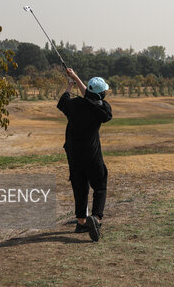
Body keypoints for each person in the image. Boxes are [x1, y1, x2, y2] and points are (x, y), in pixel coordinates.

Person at [57, 68, 112, 242]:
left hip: (73, 154)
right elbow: (91, 98)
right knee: (100, 183)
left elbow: (64, 99)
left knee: (79, 186)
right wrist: (76, 78)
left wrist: (70, 84)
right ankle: (95, 218)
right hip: (92, 155)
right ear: (102, 94)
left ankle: (81, 221)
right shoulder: (102, 111)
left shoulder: (73, 106)